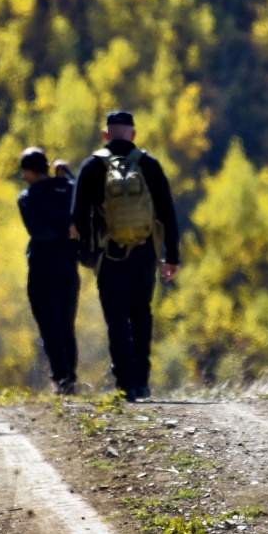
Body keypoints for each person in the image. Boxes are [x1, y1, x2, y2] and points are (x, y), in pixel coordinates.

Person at [71, 111, 179, 402]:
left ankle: (125, 386)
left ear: (106, 134)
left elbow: (77, 220)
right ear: (133, 134)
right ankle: (142, 383)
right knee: (141, 314)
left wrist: (85, 255)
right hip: (145, 254)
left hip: (110, 256)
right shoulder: (149, 165)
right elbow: (168, 212)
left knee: (117, 319)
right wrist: (173, 257)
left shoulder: (93, 166)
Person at [17, 147, 80, 394]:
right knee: (66, 324)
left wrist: (59, 233)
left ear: (29, 172)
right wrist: (70, 174)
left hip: (43, 268)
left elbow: (38, 232)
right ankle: (70, 379)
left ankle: (61, 380)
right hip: (68, 267)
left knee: (49, 326)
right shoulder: (67, 189)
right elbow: (82, 196)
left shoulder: (28, 197)